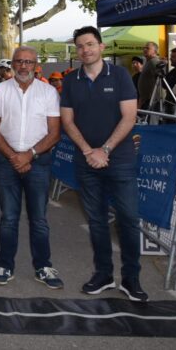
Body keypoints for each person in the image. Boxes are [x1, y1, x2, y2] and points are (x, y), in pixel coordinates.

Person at [60, 26, 146, 302]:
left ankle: (131, 279)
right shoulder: (71, 80)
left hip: (119, 160)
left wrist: (105, 149)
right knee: (97, 220)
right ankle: (104, 274)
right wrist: (88, 151)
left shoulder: (120, 75)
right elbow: (67, 121)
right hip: (87, 162)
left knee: (128, 219)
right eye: (80, 46)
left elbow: (129, 118)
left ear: (101, 46)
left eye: (90, 44)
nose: (85, 50)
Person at [0, 46, 63, 290]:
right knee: (8, 218)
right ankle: (5, 265)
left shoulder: (49, 92)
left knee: (38, 218)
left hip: (38, 162)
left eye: (28, 62)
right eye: (19, 62)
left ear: (36, 64)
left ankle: (43, 266)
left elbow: (55, 133)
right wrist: (13, 157)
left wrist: (29, 155)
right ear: (12, 65)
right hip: (7, 163)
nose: (23, 66)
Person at [136, 41, 161, 110]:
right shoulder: (148, 61)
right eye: (144, 48)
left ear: (155, 51)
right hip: (146, 100)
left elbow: (160, 81)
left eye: (147, 48)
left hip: (152, 100)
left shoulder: (154, 62)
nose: (144, 50)